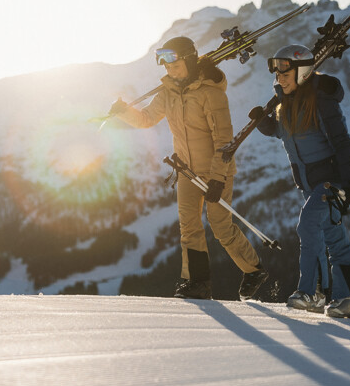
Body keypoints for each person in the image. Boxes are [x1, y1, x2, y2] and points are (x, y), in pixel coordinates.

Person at [109, 36, 268, 300]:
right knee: (189, 228)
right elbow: (147, 119)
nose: (170, 69)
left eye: (175, 63)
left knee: (220, 226)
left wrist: (218, 178)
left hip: (216, 170)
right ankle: (197, 283)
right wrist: (124, 111)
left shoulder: (211, 93)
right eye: (166, 65)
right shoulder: (167, 93)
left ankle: (254, 270)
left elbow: (224, 141)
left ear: (190, 60)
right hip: (186, 171)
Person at [251, 44, 350, 318]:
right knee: (333, 237)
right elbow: (287, 133)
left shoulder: (322, 100)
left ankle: (312, 292)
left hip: (329, 182)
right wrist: (265, 124)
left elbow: (341, 142)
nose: (279, 79)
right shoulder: (286, 102)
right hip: (309, 183)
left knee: (308, 226)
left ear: (302, 72)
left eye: (285, 73)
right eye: (277, 74)